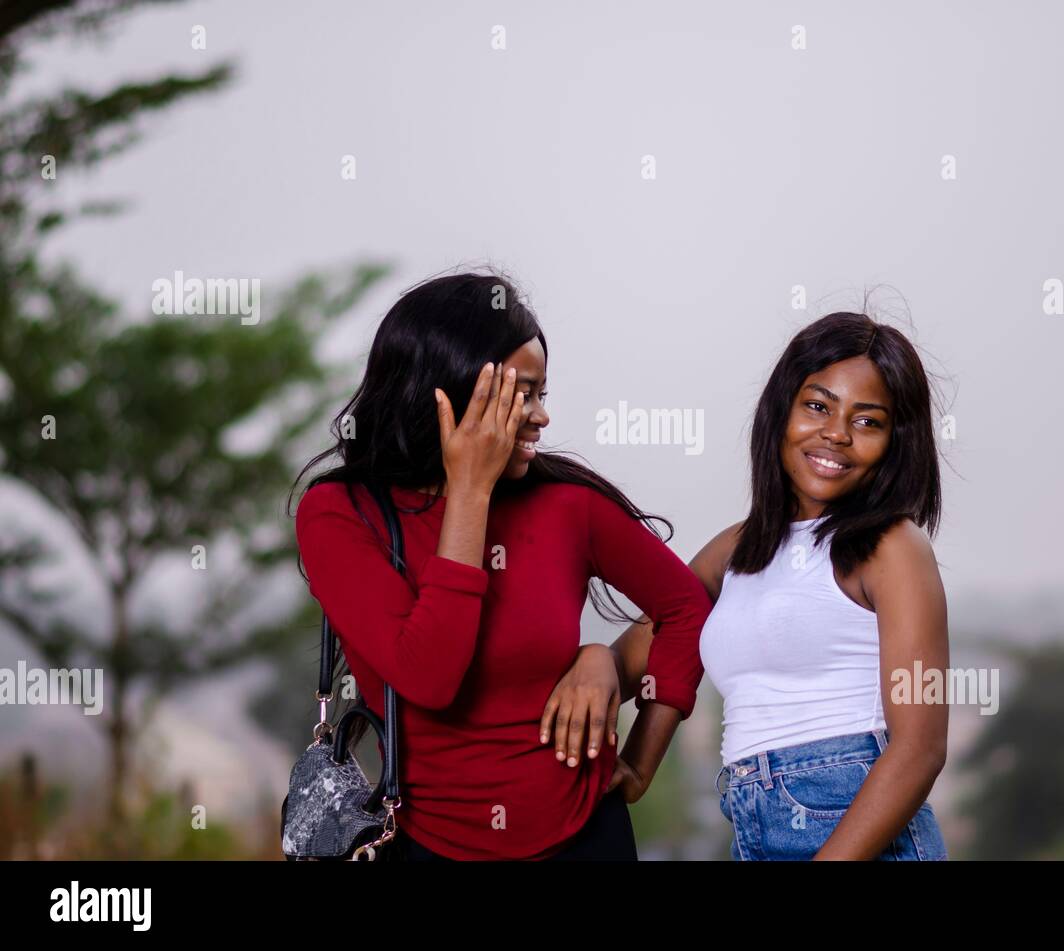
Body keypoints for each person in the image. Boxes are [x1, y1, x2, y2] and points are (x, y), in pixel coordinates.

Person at [291, 271, 711, 860]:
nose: (541, 417)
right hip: (425, 846)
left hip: (586, 839)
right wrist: (470, 492)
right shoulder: (338, 513)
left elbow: (686, 605)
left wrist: (637, 754)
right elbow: (429, 677)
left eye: (543, 394)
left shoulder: (567, 505)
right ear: (450, 394)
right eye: (523, 394)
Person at [547, 311, 949, 860]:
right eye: (817, 405)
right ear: (781, 408)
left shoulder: (894, 549)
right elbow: (651, 646)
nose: (836, 433)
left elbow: (920, 750)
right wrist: (600, 664)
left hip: (861, 830)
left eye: (868, 421)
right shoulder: (734, 550)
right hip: (752, 822)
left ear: (894, 442)